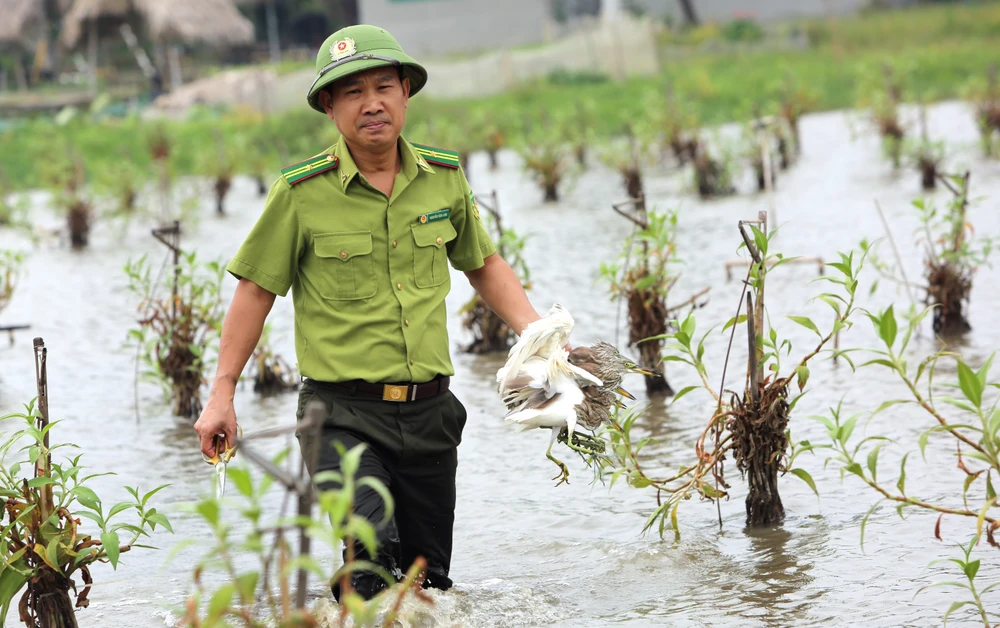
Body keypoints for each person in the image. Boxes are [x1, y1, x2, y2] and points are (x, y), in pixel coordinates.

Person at [193, 24, 540, 600]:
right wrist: (221, 392)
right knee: (373, 556)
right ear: (329, 106)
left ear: (407, 93)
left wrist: (540, 337)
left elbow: (482, 264)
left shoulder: (444, 180)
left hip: (430, 416)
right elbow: (255, 292)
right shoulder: (300, 193)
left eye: (384, 86)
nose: (372, 103)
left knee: (428, 585)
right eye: (353, 92)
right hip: (341, 416)